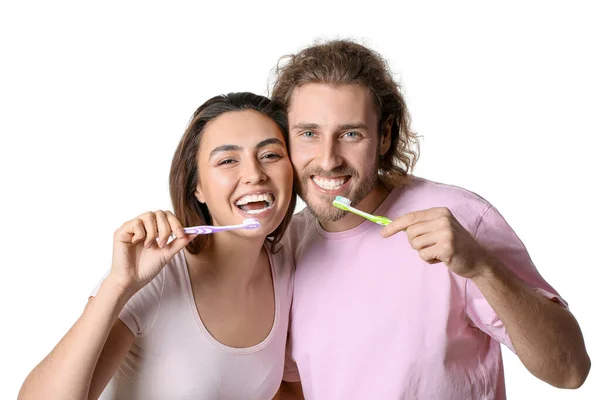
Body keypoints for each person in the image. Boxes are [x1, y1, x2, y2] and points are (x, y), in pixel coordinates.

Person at [272, 40, 591, 399]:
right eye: (309, 133)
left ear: (385, 135)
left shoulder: (460, 220)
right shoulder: (286, 247)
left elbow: (570, 370)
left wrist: (482, 268)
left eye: (350, 134)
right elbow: (293, 384)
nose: (329, 159)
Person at [18, 92, 297, 400]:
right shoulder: (158, 279)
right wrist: (118, 285)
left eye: (270, 155)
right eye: (228, 160)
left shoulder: (287, 266)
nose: (254, 174)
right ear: (197, 188)